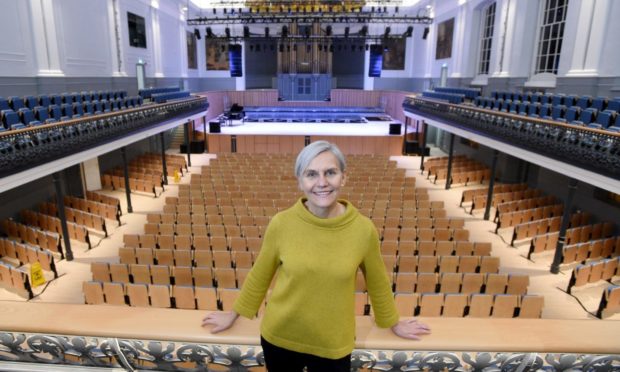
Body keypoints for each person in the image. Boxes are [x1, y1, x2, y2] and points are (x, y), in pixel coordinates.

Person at [202, 141, 430, 371]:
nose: (322, 182)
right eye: (311, 174)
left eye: (330, 172)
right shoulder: (282, 223)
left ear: (343, 177)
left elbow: (378, 282)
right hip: (281, 338)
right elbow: (260, 274)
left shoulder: (363, 229)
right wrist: (233, 315)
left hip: (333, 343)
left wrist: (393, 323)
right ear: (300, 181)